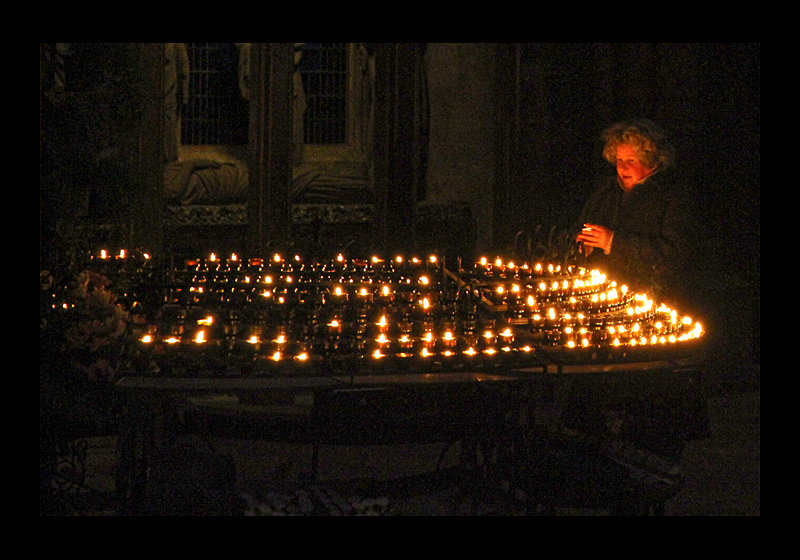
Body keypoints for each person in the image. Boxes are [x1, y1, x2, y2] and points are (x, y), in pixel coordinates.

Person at [575, 119, 695, 308]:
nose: (622, 168)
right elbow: (578, 231)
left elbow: (675, 256)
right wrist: (583, 246)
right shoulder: (606, 193)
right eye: (619, 160)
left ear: (651, 162)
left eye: (631, 161)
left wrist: (613, 242)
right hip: (604, 302)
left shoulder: (671, 197)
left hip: (653, 305)